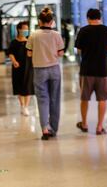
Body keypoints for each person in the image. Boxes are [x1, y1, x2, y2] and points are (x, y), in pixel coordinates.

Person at [75, 8, 107, 135]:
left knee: (84, 98)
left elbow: (79, 50)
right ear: (100, 17)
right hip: (103, 70)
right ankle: (99, 127)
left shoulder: (83, 30)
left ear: (88, 18)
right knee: (102, 99)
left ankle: (85, 124)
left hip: (86, 69)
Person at [26, 8, 65, 140]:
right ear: (52, 22)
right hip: (54, 69)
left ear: (39, 21)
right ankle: (53, 128)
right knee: (55, 99)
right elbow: (61, 53)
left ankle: (45, 129)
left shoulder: (33, 35)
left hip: (39, 70)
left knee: (42, 100)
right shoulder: (57, 35)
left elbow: (29, 53)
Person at [8, 21, 34, 116]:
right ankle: (22, 105)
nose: (26, 31)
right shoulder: (14, 42)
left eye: (27, 29)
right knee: (19, 86)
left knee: (28, 87)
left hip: (29, 67)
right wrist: (14, 61)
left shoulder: (30, 41)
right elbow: (10, 53)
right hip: (17, 67)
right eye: (24, 29)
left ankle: (26, 106)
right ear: (19, 29)